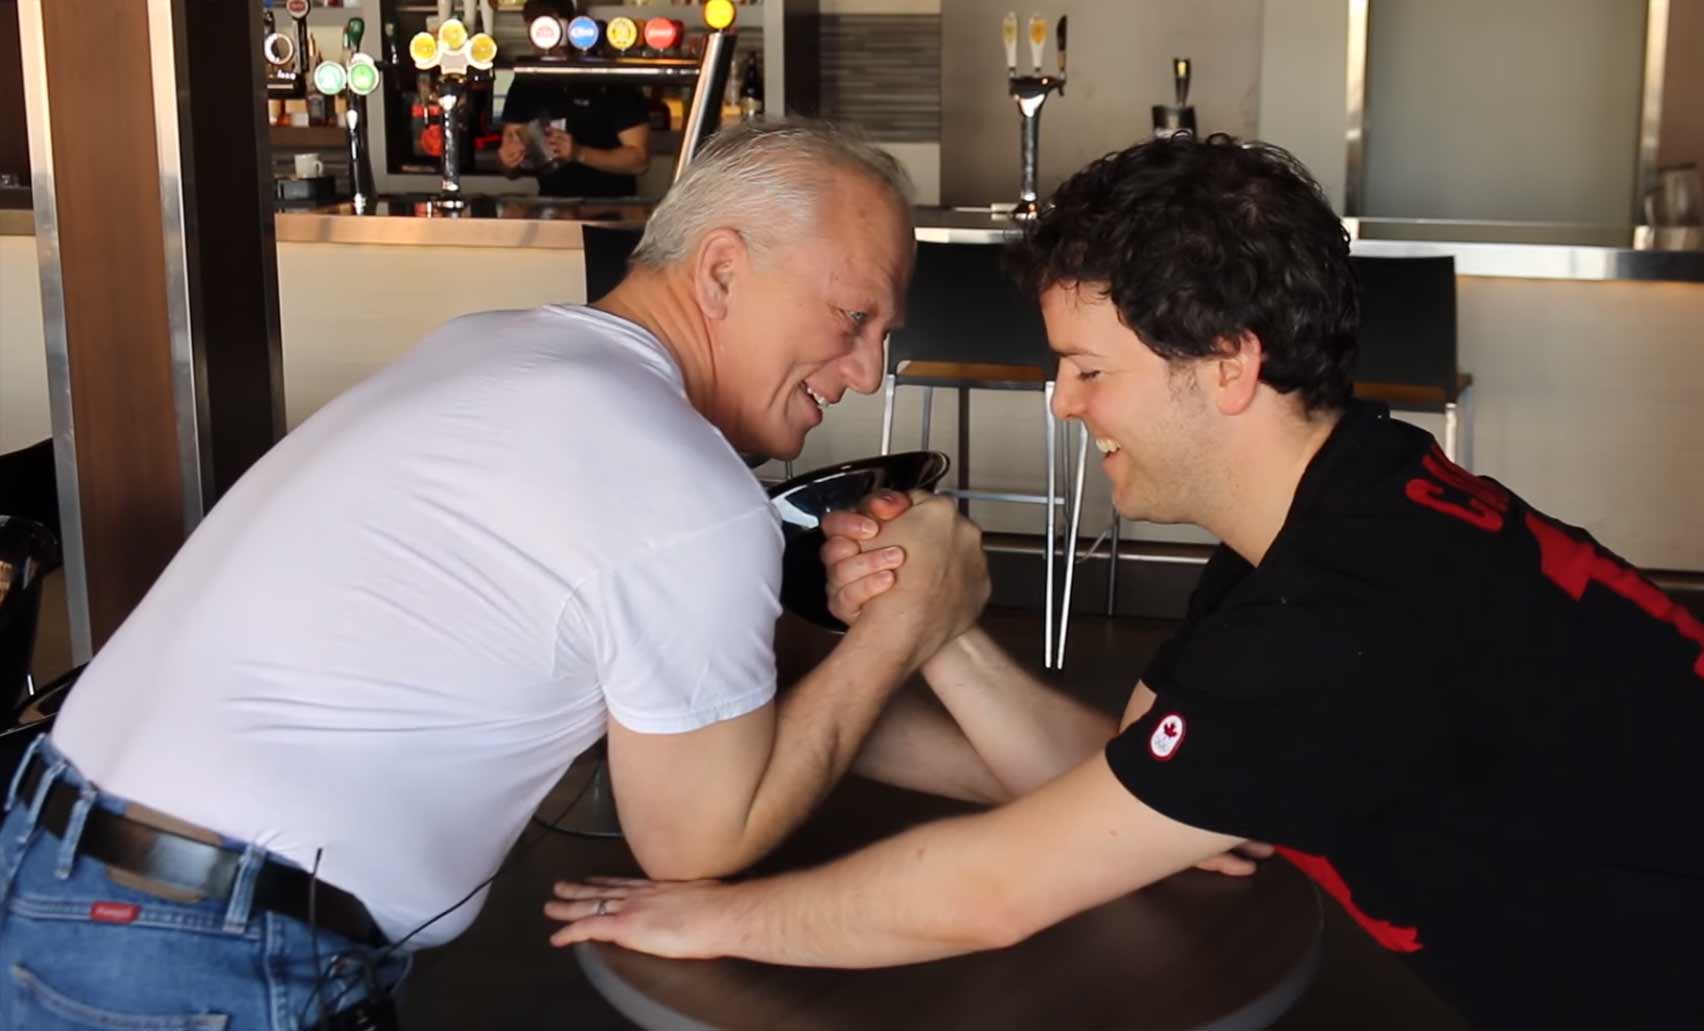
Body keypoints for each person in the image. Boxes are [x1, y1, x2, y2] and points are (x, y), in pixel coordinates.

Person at [543, 133, 1704, 1027]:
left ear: (1229, 363)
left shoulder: (1334, 616)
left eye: (1091, 369)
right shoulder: (1339, 506)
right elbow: (1134, 785)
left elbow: (994, 890)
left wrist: (708, 917)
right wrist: (937, 628)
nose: (1064, 404)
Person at [0, 121, 1004, 1031]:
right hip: (196, 949)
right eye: (853, 317)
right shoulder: (676, 480)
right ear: (723, 271)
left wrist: (1012, 768)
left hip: (51, 853)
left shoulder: (499, 346)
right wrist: (902, 627)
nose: (868, 370)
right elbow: (699, 836)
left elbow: (713, 692)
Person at [497, 0, 652, 198]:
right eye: (537, 32)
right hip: (553, 205)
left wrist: (579, 153)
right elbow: (509, 168)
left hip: (612, 205)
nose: (547, 43)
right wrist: (507, 160)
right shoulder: (527, 81)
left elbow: (639, 161)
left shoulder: (610, 76)